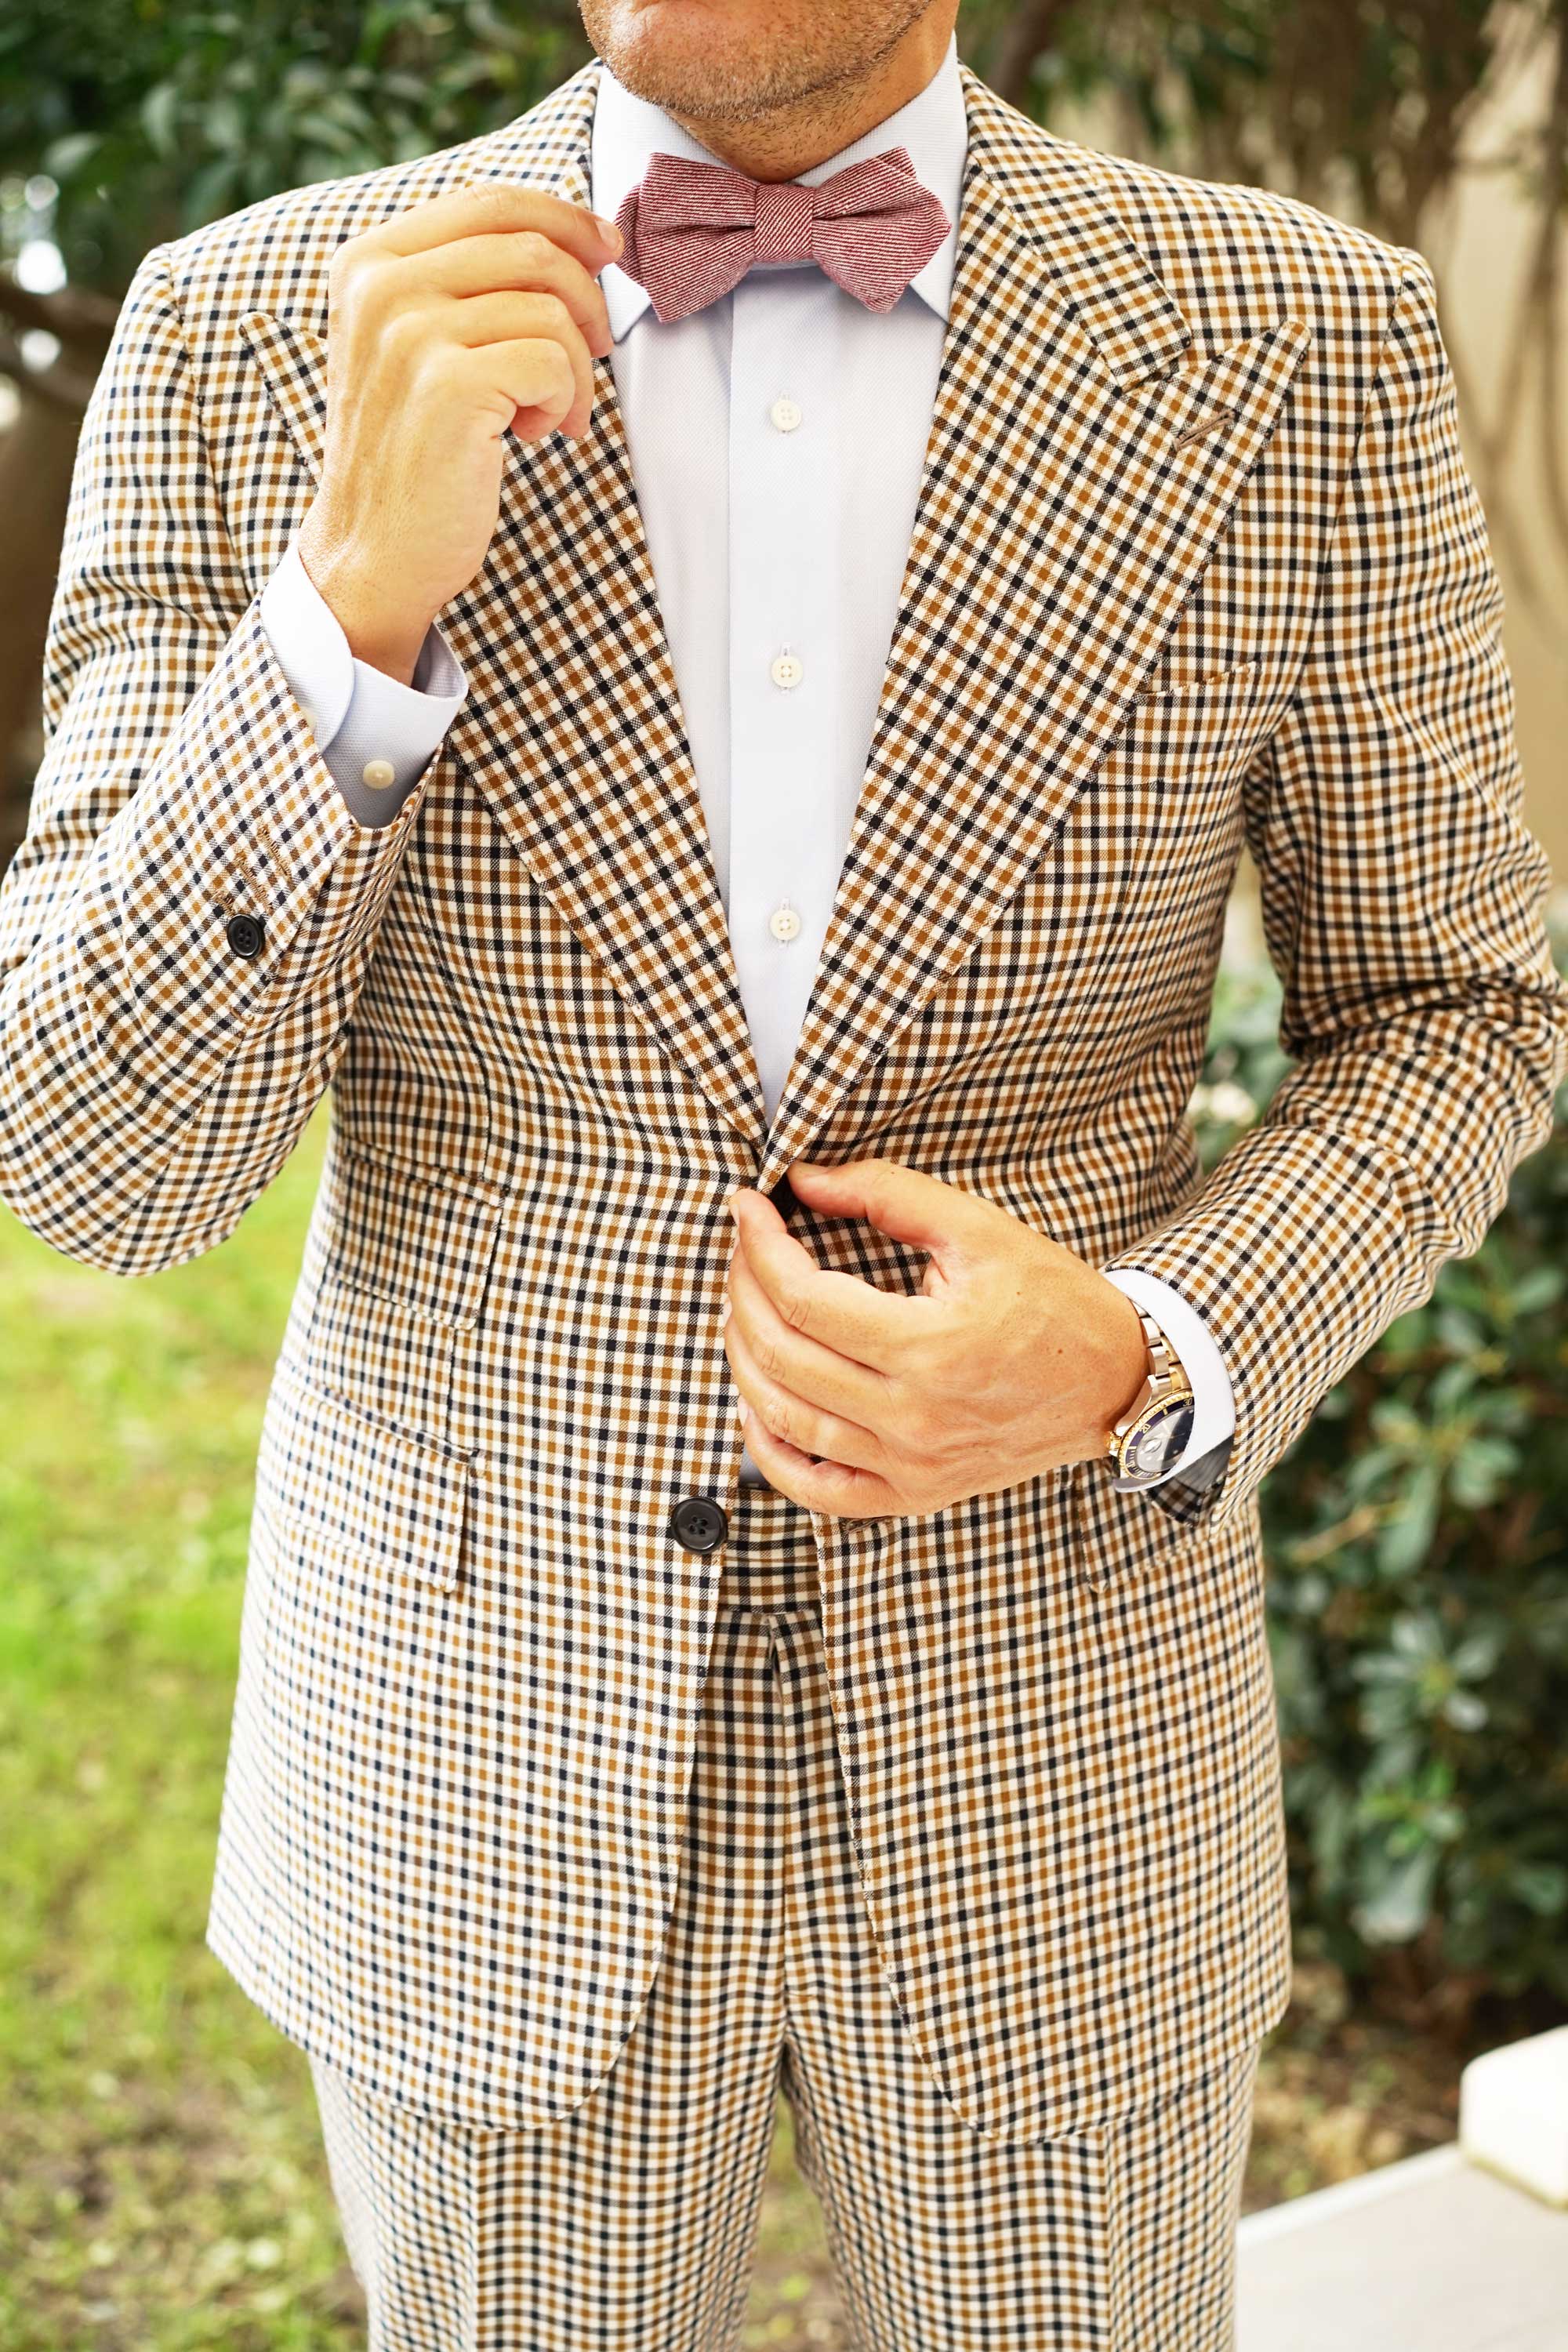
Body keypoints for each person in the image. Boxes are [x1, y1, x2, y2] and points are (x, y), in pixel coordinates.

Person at [2, 1, 1563, 2343]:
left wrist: (1153, 1340)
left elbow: (1464, 1011)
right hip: (474, 1758)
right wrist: (344, 617)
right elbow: (99, 1164)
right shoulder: (253, 329)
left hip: (1060, 1754)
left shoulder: (1298, 336)